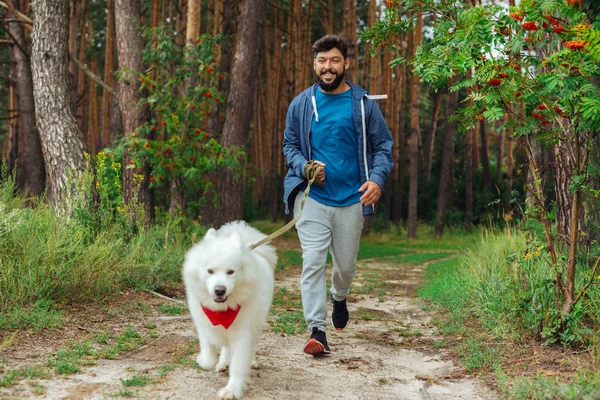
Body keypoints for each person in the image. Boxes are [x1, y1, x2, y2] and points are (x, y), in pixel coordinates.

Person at [282, 34, 394, 356]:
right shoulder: (301, 104)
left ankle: (339, 296)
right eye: (321, 61)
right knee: (313, 260)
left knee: (345, 265)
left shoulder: (363, 104)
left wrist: (377, 179)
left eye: (333, 60)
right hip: (312, 198)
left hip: (351, 199)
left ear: (345, 63)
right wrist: (304, 167)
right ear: (314, 64)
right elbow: (289, 145)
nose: (327, 67)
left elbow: (383, 146)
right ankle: (317, 329)